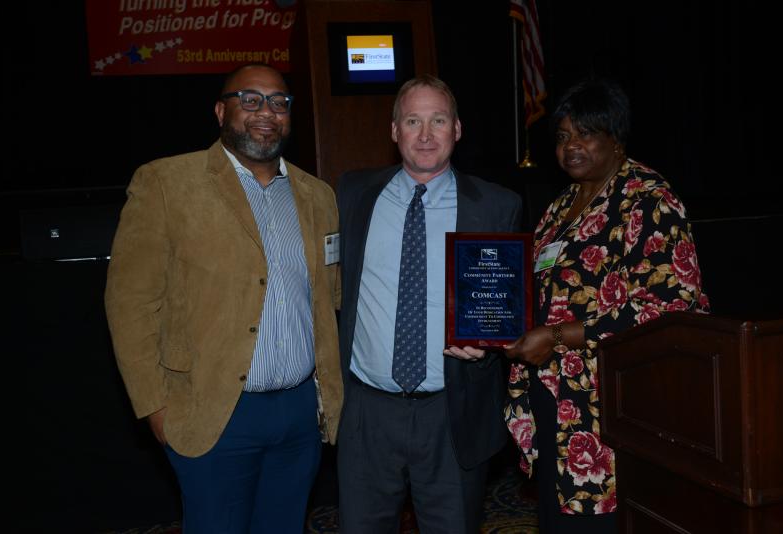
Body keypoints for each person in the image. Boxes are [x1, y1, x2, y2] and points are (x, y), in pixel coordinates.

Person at [104, 63, 343, 533]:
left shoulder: (319, 196)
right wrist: (156, 409)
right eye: (250, 100)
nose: (266, 112)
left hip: (300, 415)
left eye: (278, 102)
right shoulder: (167, 183)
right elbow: (129, 304)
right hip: (213, 412)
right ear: (220, 111)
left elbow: (328, 299)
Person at [503, 78, 709, 533]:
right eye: (562, 136)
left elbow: (670, 308)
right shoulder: (560, 206)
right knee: (556, 517)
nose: (570, 146)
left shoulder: (649, 199)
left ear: (616, 139)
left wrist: (557, 335)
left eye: (585, 133)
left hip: (609, 404)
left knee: (600, 522)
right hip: (553, 395)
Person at [335, 74, 522, 533]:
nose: (425, 135)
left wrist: (490, 342)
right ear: (394, 130)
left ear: (456, 129)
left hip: (452, 412)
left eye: (437, 120)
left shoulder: (496, 206)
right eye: (412, 121)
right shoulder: (351, 195)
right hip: (366, 412)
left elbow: (507, 300)